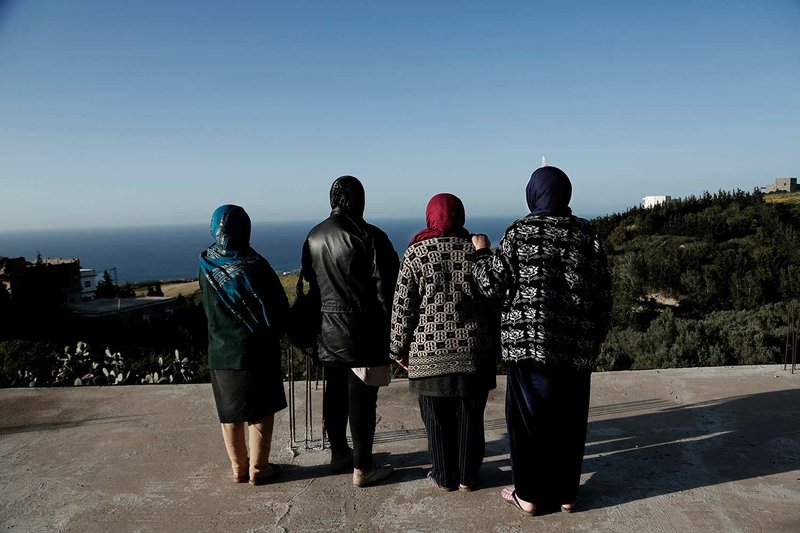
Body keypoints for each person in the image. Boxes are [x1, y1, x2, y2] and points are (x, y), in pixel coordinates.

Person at [471, 166, 612, 515]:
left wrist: (480, 254)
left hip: (529, 346)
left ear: (533, 194)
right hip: (576, 347)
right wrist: (593, 340)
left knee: (528, 421)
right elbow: (603, 296)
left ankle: (530, 495)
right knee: (570, 421)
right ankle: (566, 495)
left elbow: (490, 284)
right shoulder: (587, 234)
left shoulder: (520, 232)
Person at [389, 193, 498, 492]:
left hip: (428, 354)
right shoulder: (475, 251)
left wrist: (397, 349)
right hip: (474, 353)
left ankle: (443, 475)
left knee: (436, 421)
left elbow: (402, 307)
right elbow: (495, 299)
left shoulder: (415, 254)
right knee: (470, 420)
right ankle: (467, 476)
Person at [300, 175, 399, 487]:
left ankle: (339, 454)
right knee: (362, 399)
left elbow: (311, 285)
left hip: (327, 331)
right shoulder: (370, 236)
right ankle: (363, 467)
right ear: (360, 200)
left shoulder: (313, 236)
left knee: (334, 394)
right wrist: (392, 336)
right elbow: (387, 290)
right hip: (363, 332)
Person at [199, 204, 289, 485]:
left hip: (221, 352)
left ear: (216, 228)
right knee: (260, 411)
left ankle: (239, 467)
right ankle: (259, 470)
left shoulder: (206, 264)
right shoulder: (256, 265)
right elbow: (277, 308)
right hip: (257, 350)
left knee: (230, 412)